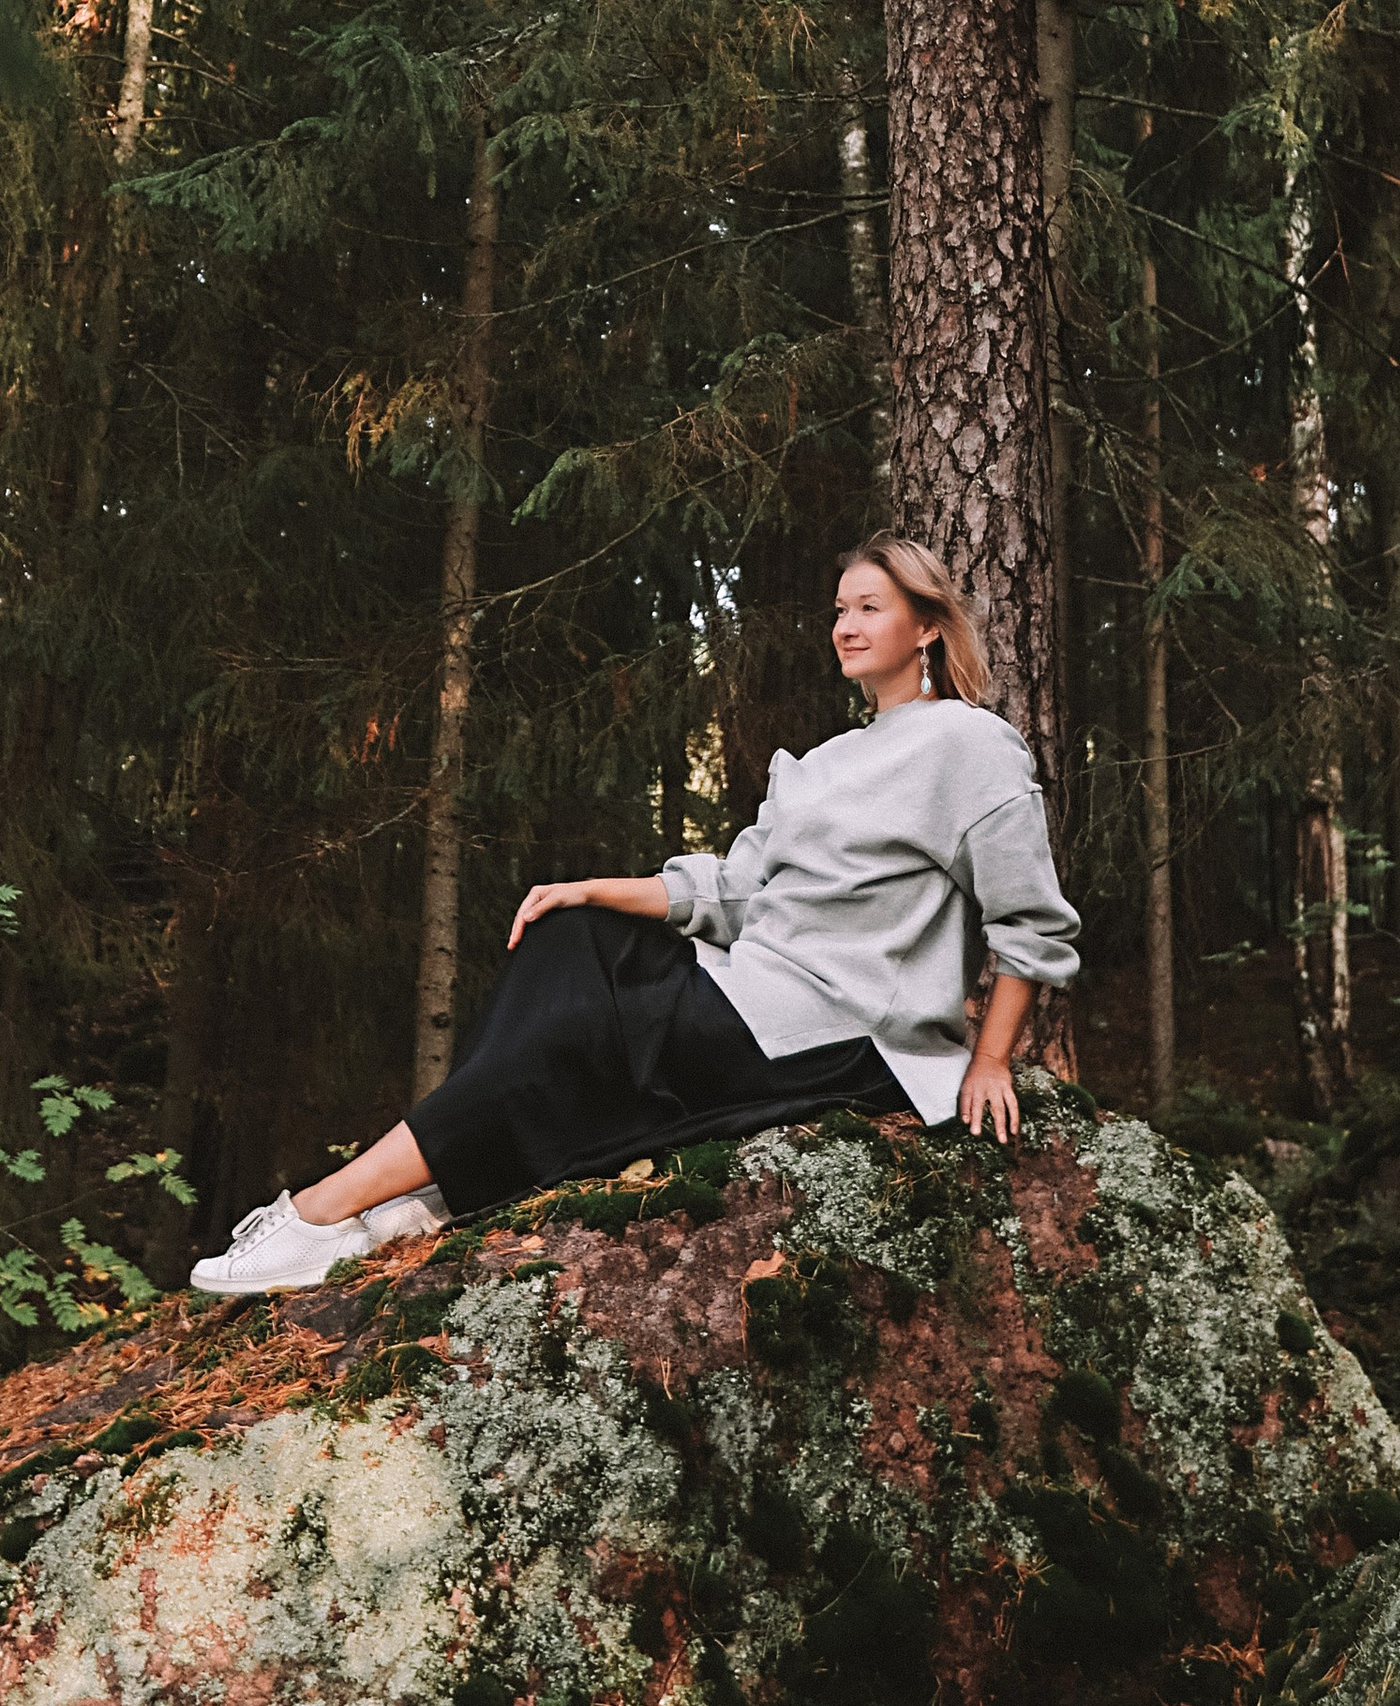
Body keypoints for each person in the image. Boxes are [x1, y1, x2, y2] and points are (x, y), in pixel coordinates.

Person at [189, 534, 1082, 1297]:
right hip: (752, 991)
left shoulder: (969, 745)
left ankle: (324, 1210)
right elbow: (734, 891)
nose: (845, 625)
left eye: (870, 608)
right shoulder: (821, 762)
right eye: (839, 609)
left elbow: (1032, 924)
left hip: (842, 1029)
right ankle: (421, 1196)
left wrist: (992, 1058)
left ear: (926, 626)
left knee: (584, 1027)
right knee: (568, 937)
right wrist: (586, 889)